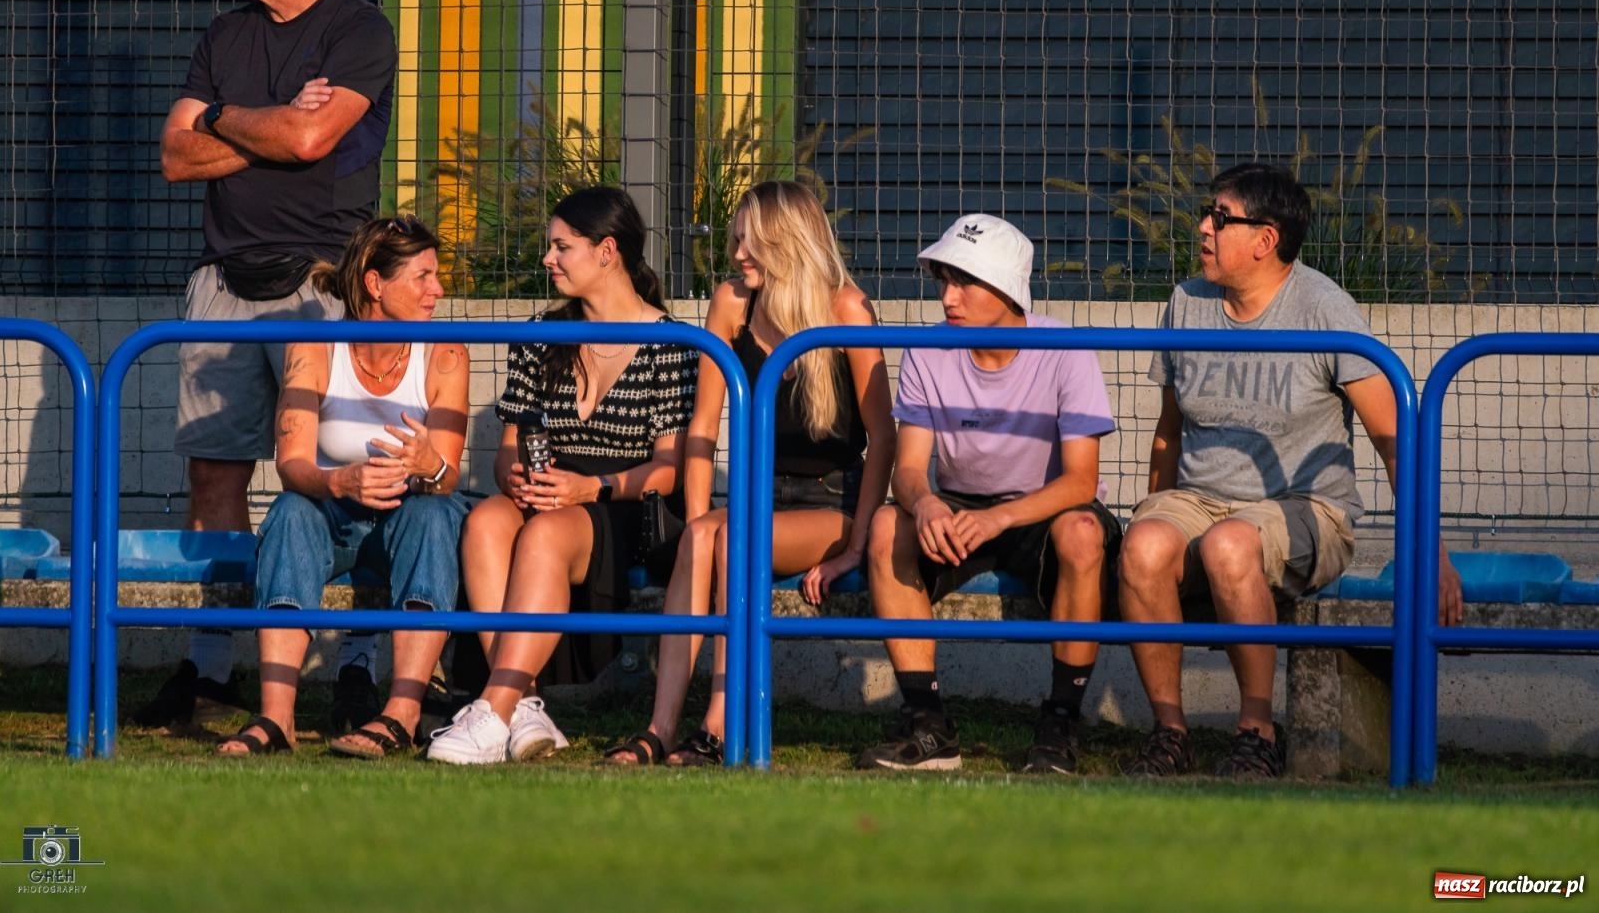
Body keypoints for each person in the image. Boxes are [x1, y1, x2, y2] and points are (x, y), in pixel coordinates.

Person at [139, 0, 397, 729]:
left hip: (324, 284)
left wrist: (233, 123)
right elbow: (177, 157)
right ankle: (213, 671)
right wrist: (258, 121)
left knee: (345, 469)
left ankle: (355, 667)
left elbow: (312, 141)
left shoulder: (359, 29)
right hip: (222, 280)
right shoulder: (224, 35)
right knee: (214, 473)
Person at [1117, 162, 1465, 780]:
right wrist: (1156, 514)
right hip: (1201, 496)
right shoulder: (1186, 303)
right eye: (1207, 213)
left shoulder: (1324, 309)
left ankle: (1257, 731)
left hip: (1308, 510)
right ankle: (1170, 733)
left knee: (1229, 546)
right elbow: (1168, 432)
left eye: (1220, 218)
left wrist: (1432, 552)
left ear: (1266, 239)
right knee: (1142, 545)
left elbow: (1394, 439)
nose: (1202, 227)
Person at [604, 181, 895, 766]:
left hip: (829, 502)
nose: (737, 253)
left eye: (751, 241)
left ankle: (715, 726)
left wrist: (854, 548)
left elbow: (884, 437)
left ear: (790, 243)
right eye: (736, 239)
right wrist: (694, 519)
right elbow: (703, 427)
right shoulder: (733, 303)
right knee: (708, 536)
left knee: (724, 538)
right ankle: (660, 729)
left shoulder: (847, 308)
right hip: (757, 498)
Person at [426, 186, 697, 765]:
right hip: (546, 491)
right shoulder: (540, 333)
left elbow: (669, 471)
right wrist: (516, 479)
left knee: (547, 533)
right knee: (486, 522)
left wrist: (588, 488)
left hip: (619, 503)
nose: (547, 260)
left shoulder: (670, 344)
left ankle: (492, 709)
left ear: (607, 251)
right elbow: (505, 454)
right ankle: (523, 703)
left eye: (560, 247)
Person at [854, 214, 1121, 773]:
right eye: (943, 280)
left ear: (1006, 288)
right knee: (886, 527)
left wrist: (1000, 520)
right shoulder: (929, 350)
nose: (948, 297)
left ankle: (1060, 724)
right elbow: (907, 469)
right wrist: (923, 502)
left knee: (1082, 532)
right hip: (955, 508)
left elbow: (1080, 482)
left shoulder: (1066, 350)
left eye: (964, 281)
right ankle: (928, 725)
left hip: (1040, 509)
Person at [215, 216, 468, 756]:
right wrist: (341, 481)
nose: (437, 290)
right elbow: (293, 463)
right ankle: (276, 718)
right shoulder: (315, 347)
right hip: (335, 516)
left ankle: (401, 712)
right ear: (376, 284)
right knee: (290, 511)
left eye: (436, 276)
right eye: (422, 276)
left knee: (429, 514)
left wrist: (430, 466)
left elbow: (447, 483)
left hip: (411, 519)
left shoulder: (445, 353)